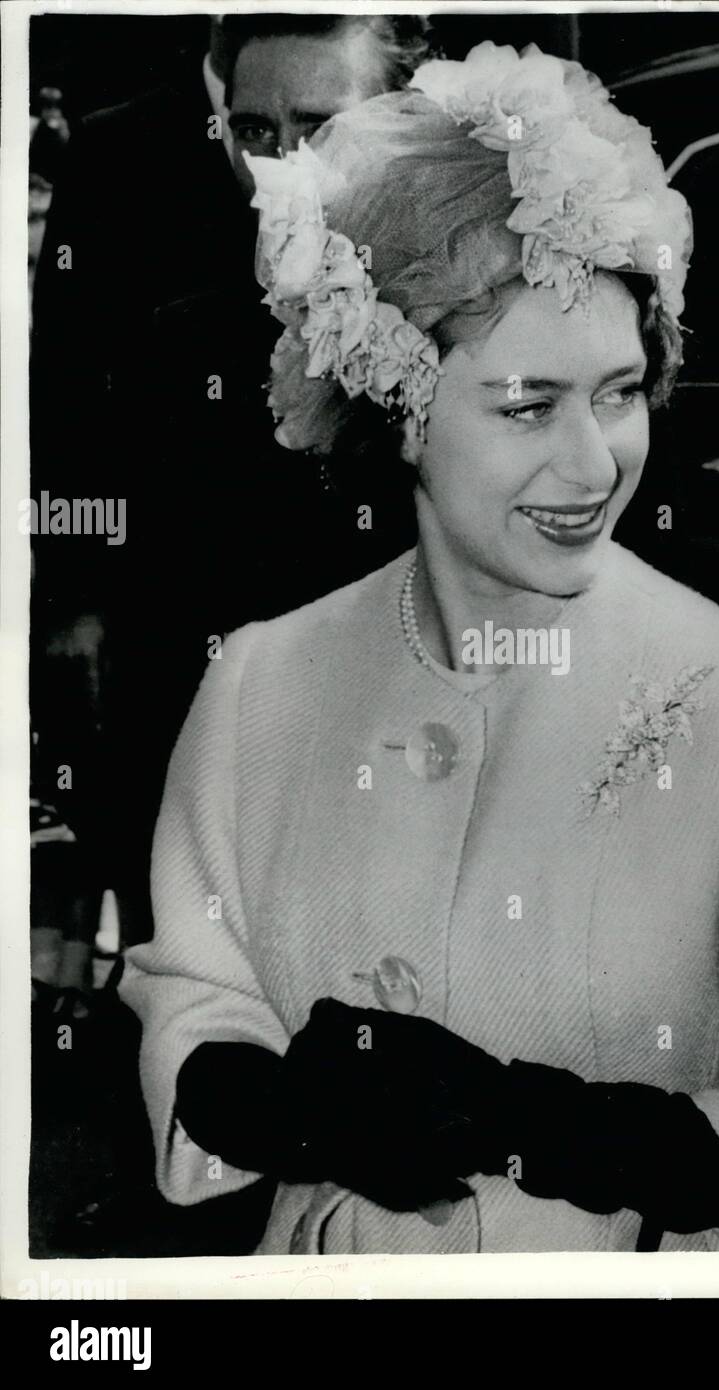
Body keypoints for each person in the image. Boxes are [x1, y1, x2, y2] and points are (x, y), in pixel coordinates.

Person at [122, 42, 719, 1257]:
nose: (594, 461)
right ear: (399, 410)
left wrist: (541, 1127)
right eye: (527, 406)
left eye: (619, 392)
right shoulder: (261, 680)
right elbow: (196, 986)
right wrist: (272, 1102)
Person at [29, 14, 434, 955]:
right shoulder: (148, 202)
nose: (283, 164)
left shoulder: (448, 254)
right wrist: (75, 596)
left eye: (320, 127)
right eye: (255, 133)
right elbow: (67, 389)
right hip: (186, 646)